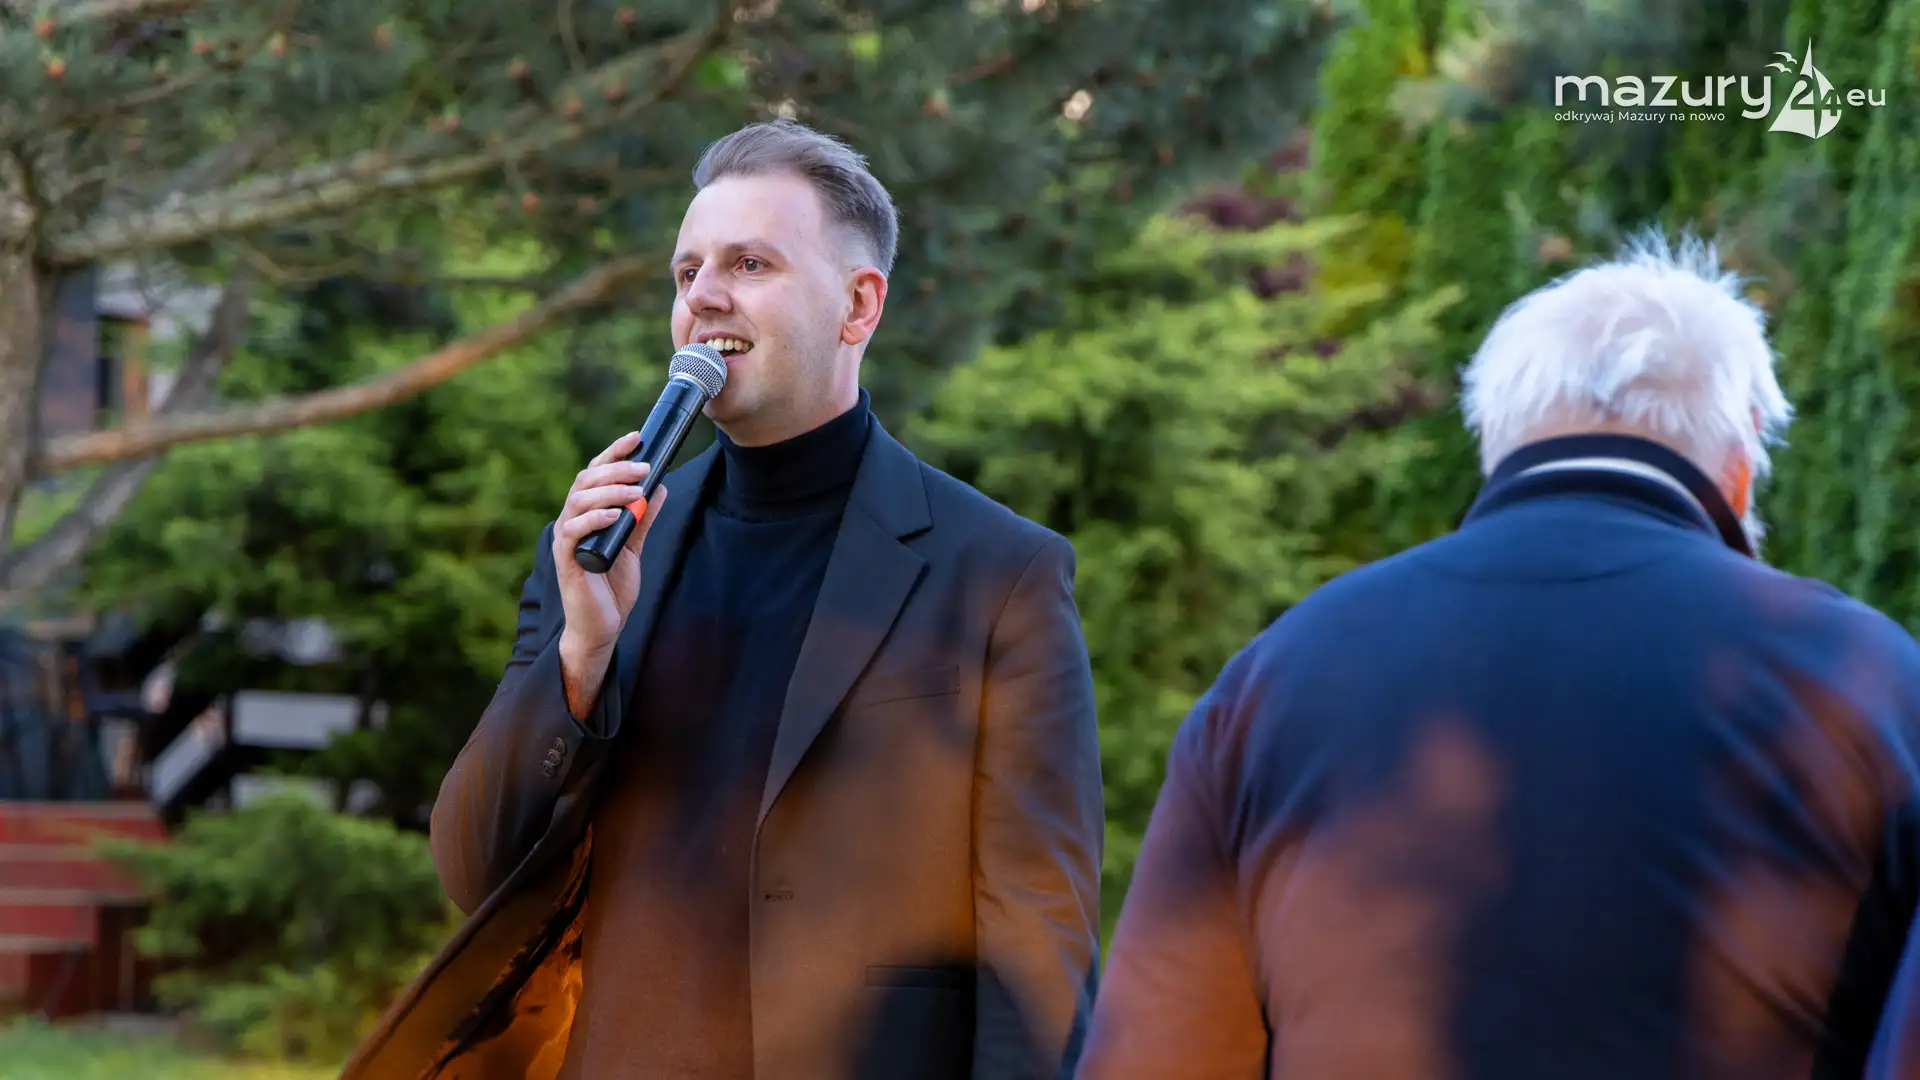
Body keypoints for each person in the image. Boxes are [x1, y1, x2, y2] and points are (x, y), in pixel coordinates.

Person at [340, 119, 1104, 1080]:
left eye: (749, 264)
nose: (703, 295)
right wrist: (581, 657)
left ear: (858, 305)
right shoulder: (602, 550)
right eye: (687, 270)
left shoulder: (999, 570)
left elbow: (1036, 940)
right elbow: (473, 867)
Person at [1075, 231, 1920, 1079]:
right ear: (1742, 462)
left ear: (1497, 443)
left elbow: (1158, 1057)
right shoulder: (1871, 683)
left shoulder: (1278, 680)